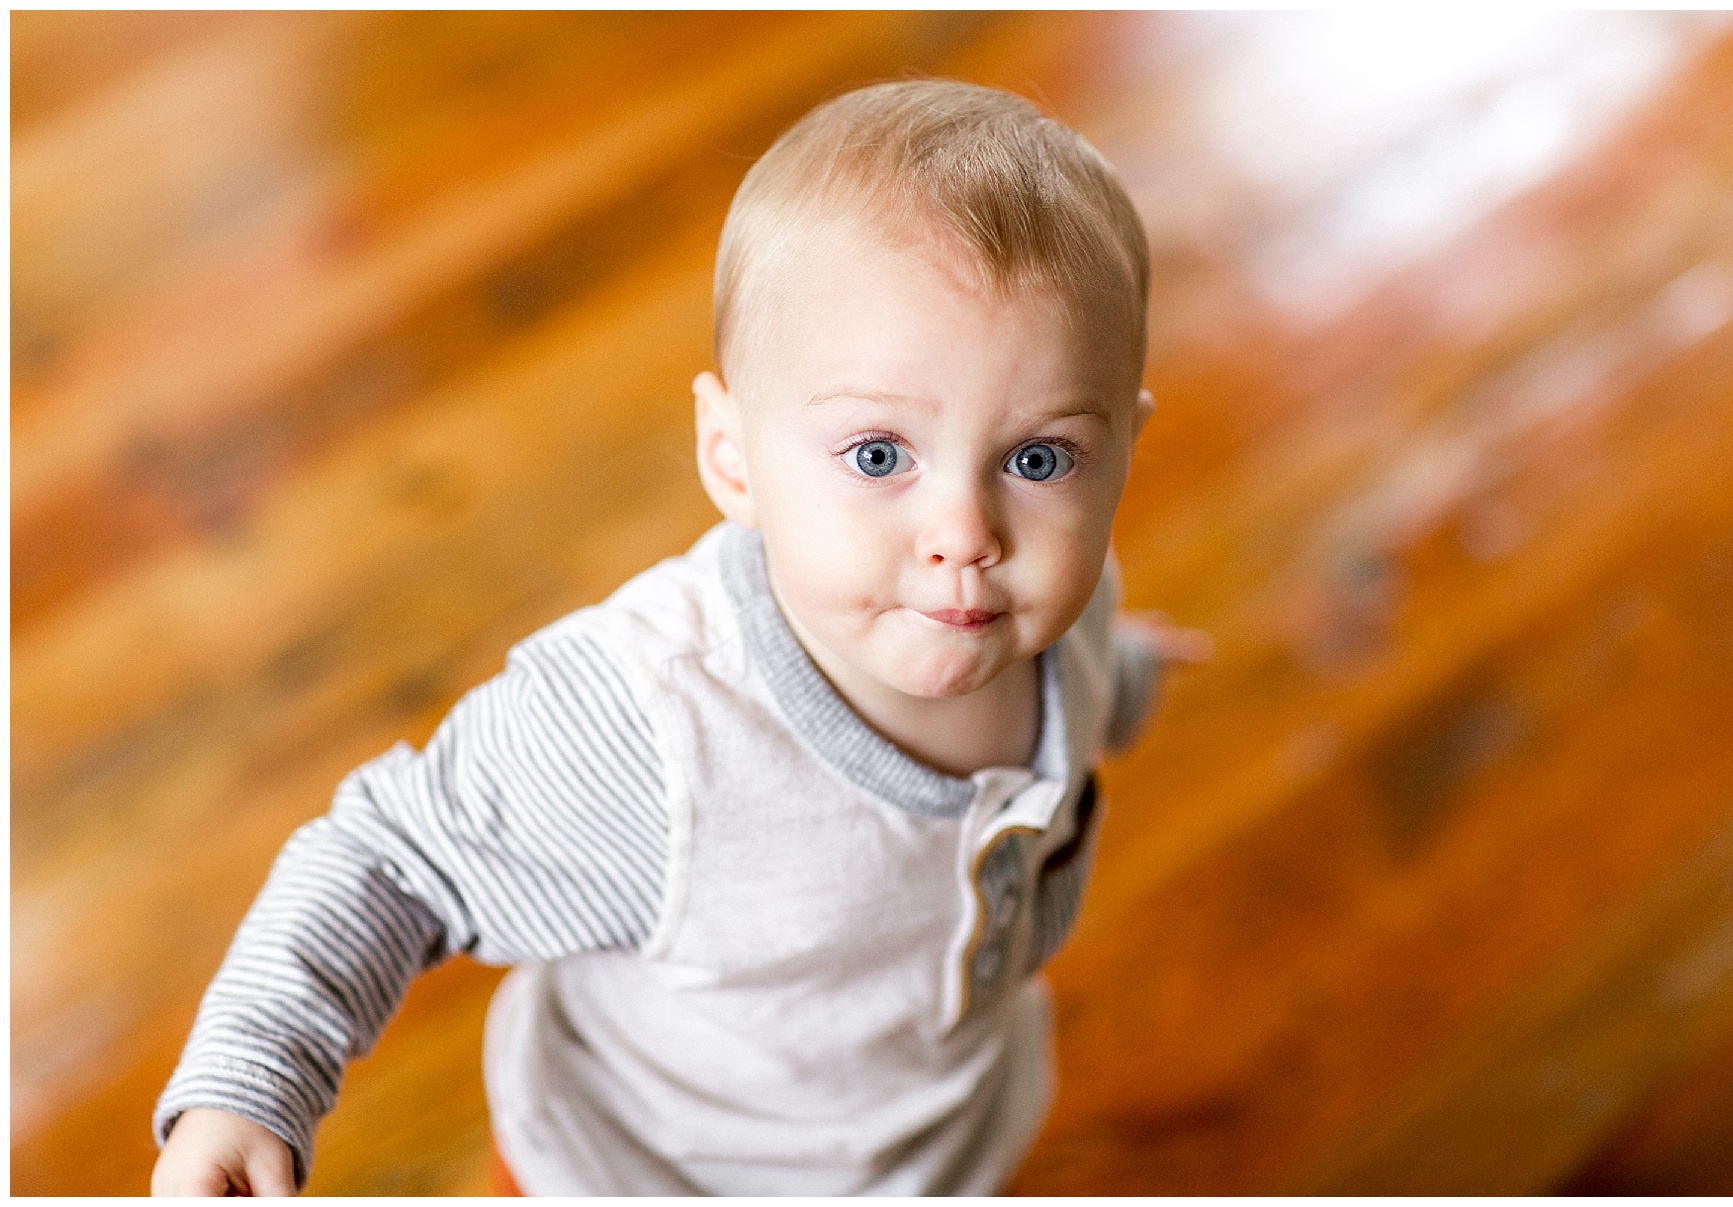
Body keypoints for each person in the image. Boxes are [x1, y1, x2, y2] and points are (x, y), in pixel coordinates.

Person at [150, 78, 1206, 1196]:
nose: (966, 535)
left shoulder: (1063, 608)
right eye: (879, 455)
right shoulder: (651, 731)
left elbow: (1073, 693)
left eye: (1038, 459)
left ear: (1121, 455)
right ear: (732, 455)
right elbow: (390, 861)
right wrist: (249, 1081)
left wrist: (1124, 673)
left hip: (931, 1143)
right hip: (651, 1168)